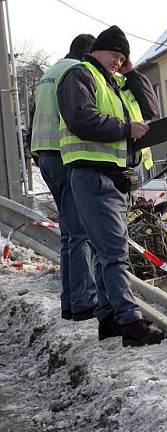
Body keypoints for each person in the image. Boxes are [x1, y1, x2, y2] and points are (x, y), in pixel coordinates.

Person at [57, 25, 166, 347]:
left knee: (108, 252)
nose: (119, 62)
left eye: (124, 58)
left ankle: (109, 318)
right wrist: (125, 129)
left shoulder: (117, 85)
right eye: (116, 56)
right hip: (93, 175)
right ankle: (131, 323)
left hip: (116, 178)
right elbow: (82, 119)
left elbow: (150, 112)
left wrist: (132, 72)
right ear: (97, 51)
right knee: (115, 253)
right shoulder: (81, 75)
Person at [31, 34, 97, 322]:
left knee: (69, 233)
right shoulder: (74, 73)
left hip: (45, 156)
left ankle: (71, 302)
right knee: (80, 232)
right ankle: (83, 302)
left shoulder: (48, 74)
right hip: (64, 156)